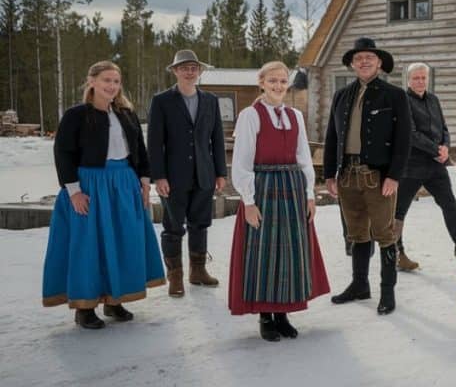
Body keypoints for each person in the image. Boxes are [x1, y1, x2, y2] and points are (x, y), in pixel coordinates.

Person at [42, 61, 164, 329]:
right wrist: (73, 191)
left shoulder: (126, 114)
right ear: (92, 82)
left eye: (116, 81)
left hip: (124, 183)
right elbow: (63, 153)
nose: (112, 86)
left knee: (122, 241)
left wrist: (144, 182)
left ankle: (114, 299)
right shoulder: (76, 115)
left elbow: (140, 151)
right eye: (106, 80)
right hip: (90, 184)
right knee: (90, 245)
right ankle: (84, 307)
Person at [228, 61, 330, 341]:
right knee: (264, 253)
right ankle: (265, 318)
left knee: (290, 252)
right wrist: (248, 201)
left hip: (293, 189)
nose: (278, 86)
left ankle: (283, 314)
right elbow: (241, 162)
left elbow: (303, 159)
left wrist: (309, 195)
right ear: (261, 82)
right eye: (272, 80)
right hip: (263, 189)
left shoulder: (295, 116)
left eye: (283, 81)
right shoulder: (250, 115)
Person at [324, 37, 412, 315]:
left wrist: (395, 176)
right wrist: (329, 173)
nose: (364, 61)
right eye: (358, 58)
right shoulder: (341, 95)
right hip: (347, 175)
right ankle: (360, 285)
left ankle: (388, 293)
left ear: (379, 63)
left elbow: (404, 139)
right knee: (357, 233)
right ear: (352, 63)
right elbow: (331, 137)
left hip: (379, 176)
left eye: (369, 58)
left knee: (385, 234)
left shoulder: (394, 95)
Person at [148, 49, 227, 297]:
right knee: (173, 228)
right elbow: (154, 142)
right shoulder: (161, 101)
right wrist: (158, 176)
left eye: (194, 67)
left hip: (204, 174)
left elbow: (217, 138)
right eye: (184, 68)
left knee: (200, 224)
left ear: (199, 71)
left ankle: (198, 271)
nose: (189, 71)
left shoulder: (210, 101)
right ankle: (176, 278)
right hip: (173, 177)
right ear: (175, 71)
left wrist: (220, 172)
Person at [395, 63, 456, 271]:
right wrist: (437, 150)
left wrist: (445, 147)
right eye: (415, 78)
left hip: (435, 166)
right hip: (411, 165)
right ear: (408, 80)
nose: (420, 81)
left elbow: (443, 127)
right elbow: (411, 133)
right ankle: (397, 254)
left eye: (423, 78)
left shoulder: (433, 99)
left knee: (450, 205)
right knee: (399, 212)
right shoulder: (403, 101)